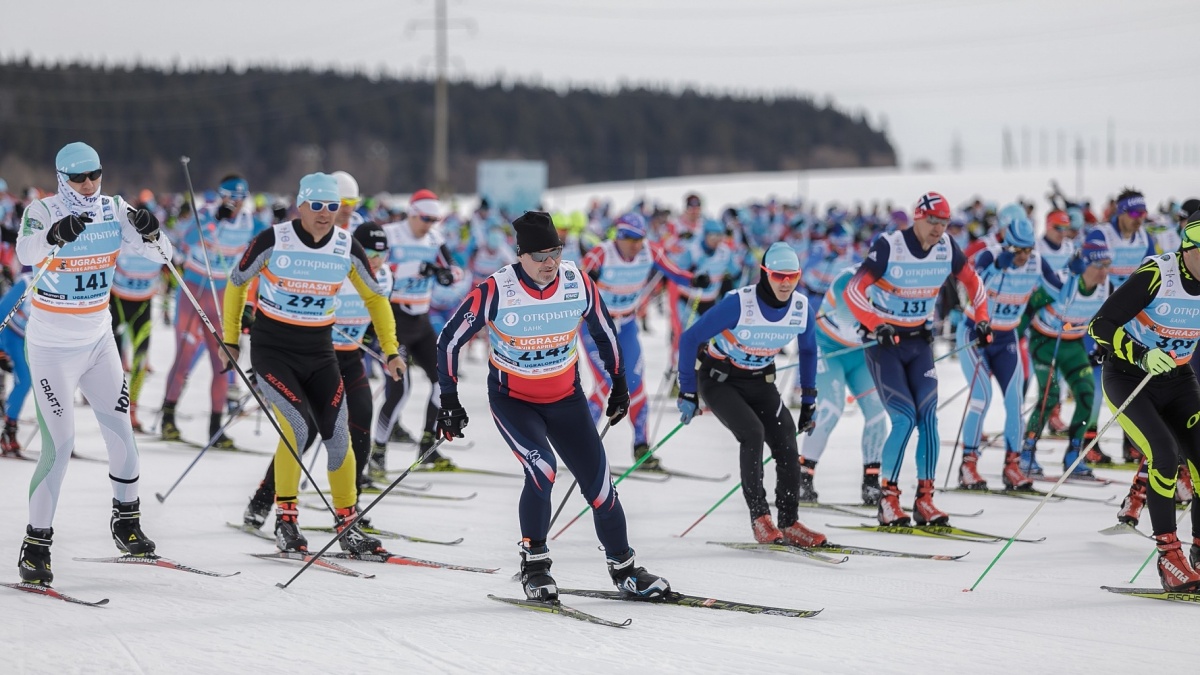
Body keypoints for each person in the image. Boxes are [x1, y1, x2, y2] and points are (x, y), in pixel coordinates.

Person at [435, 210, 669, 602]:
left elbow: (605, 330)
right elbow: (448, 340)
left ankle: (625, 569)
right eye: (540, 255)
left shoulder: (577, 281)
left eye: (555, 252)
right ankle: (536, 565)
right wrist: (449, 399)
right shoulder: (496, 289)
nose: (550, 264)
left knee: (601, 488)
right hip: (514, 401)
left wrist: (619, 384)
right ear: (520, 255)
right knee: (542, 469)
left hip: (566, 400)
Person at [220, 172, 404, 555]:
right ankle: (286, 520)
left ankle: (347, 522)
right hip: (274, 350)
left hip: (320, 353)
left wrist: (390, 349)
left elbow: (375, 298)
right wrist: (232, 339)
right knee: (298, 427)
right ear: (301, 205)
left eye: (332, 207)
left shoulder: (345, 245)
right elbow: (237, 282)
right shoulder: (275, 239)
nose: (324, 214)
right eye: (317, 206)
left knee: (339, 437)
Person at [16, 142, 173, 585]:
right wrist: (54, 236)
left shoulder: (113, 208)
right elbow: (25, 253)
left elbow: (165, 259)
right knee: (59, 444)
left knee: (121, 431)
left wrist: (151, 230)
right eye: (79, 178)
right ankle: (36, 545)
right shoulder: (42, 211)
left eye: (95, 175)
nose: (89, 185)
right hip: (51, 347)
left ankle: (126, 523)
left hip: (98, 341)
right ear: (62, 178)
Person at [845, 191, 991, 526]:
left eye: (944, 222)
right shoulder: (890, 246)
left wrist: (981, 317)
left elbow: (974, 283)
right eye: (932, 222)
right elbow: (853, 289)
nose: (938, 229)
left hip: (919, 343)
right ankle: (888, 499)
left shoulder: (947, 248)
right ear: (917, 218)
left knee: (928, 419)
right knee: (904, 418)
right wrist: (874, 323)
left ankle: (925, 499)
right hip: (884, 344)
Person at [676, 242, 826, 545]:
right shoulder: (739, 304)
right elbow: (690, 339)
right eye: (778, 276)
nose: (785, 283)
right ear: (765, 274)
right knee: (753, 433)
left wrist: (808, 400)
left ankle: (790, 521)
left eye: (792, 277)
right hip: (720, 380)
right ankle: (760, 517)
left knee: (786, 438)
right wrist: (688, 392)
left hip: (760, 382)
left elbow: (808, 351)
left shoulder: (801, 308)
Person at [1087, 214, 1200, 592]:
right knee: (1165, 456)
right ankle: (1169, 557)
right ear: (1190, 248)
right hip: (1130, 377)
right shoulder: (1158, 274)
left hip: (1179, 379)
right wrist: (1140, 354)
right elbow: (1099, 325)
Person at [159, 175, 267, 447]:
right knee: (183, 356)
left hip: (222, 294)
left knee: (222, 361)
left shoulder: (251, 224)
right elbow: (184, 239)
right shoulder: (205, 215)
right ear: (221, 197)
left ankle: (215, 429)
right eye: (232, 198)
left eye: (242, 198)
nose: (237, 204)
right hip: (194, 291)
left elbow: (269, 244)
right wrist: (215, 221)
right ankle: (168, 418)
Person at [955, 207, 1059, 490]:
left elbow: (1061, 289)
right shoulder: (990, 255)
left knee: (1015, 402)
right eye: (1017, 250)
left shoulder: (1036, 263)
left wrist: (1076, 273)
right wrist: (993, 269)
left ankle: (1012, 466)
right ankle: (968, 465)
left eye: (1028, 249)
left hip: (1007, 338)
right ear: (1006, 242)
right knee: (981, 397)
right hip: (975, 335)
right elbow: (966, 282)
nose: (1023, 256)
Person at [579, 213, 692, 470]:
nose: (636, 244)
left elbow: (675, 273)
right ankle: (580, 446)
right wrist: (587, 280)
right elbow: (572, 281)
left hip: (627, 326)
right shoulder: (601, 253)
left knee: (636, 385)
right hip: (597, 327)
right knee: (606, 384)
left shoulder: (649, 251)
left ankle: (642, 448)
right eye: (630, 238)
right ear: (618, 236)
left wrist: (696, 280)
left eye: (640, 239)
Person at [372, 189, 460, 473]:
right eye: (425, 218)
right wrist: (416, 267)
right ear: (412, 214)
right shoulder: (390, 234)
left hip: (420, 320)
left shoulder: (435, 238)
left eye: (434, 219)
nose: (430, 224)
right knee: (400, 390)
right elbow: (374, 268)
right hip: (393, 317)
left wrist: (447, 275)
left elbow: (454, 269)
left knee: (443, 382)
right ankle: (377, 452)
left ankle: (427, 449)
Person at [798, 263, 888, 505]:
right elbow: (852, 323)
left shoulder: (895, 285)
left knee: (877, 412)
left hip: (859, 355)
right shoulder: (847, 281)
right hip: (828, 348)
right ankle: (803, 476)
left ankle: (871, 482)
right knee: (831, 408)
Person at [0, 266, 34, 456]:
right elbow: (1, 311)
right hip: (13, 336)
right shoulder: (27, 281)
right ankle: (8, 432)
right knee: (25, 381)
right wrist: (1, 350)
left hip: (34, 339)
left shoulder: (64, 281)